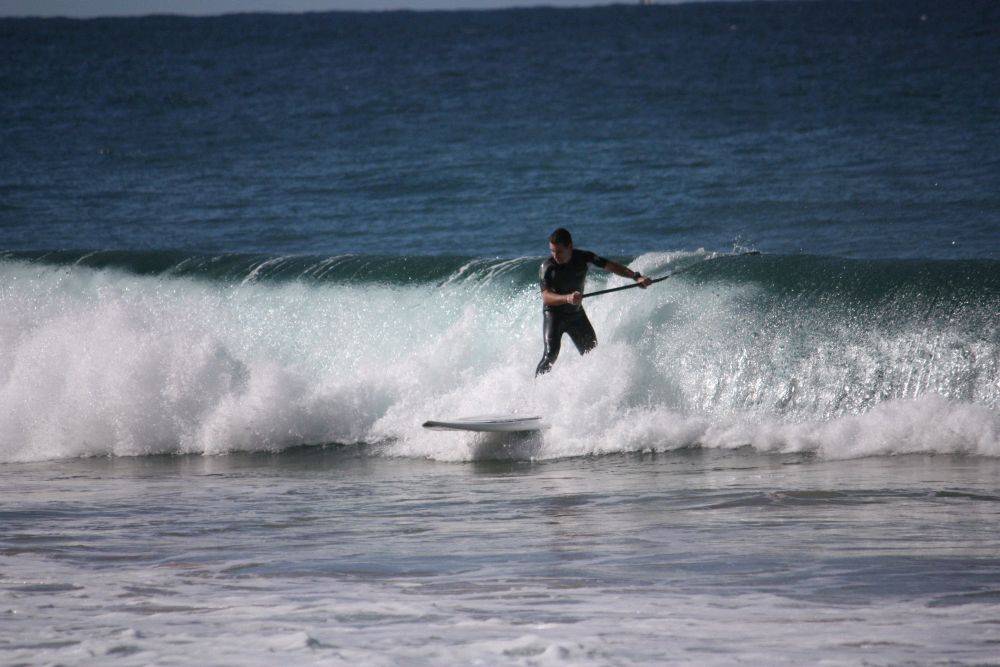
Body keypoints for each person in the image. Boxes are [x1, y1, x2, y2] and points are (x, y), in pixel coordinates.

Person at [536, 228, 652, 376]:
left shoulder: (584, 257)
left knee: (592, 354)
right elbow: (546, 296)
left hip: (575, 314)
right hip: (554, 315)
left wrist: (636, 277)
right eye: (552, 251)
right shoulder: (547, 267)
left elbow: (611, 266)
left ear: (570, 246)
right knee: (550, 355)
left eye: (559, 251)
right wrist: (567, 298)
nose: (555, 255)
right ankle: (534, 387)